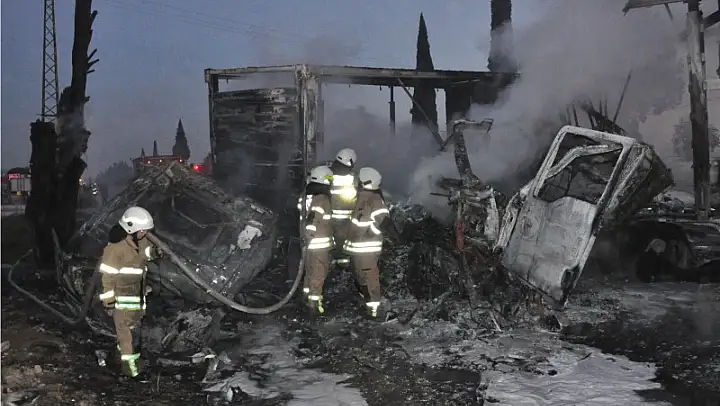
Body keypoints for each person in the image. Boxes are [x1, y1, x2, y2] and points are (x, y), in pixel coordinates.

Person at [98, 206, 160, 378]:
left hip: (137, 298)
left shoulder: (140, 241)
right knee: (127, 339)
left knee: (133, 336)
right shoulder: (115, 249)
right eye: (142, 231)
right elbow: (107, 278)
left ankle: (122, 359)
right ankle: (132, 372)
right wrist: (109, 303)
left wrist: (156, 252)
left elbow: (146, 254)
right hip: (122, 301)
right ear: (131, 229)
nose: (145, 234)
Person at [343, 167, 401, 319]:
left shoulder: (373, 199)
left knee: (369, 279)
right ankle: (369, 305)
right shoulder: (363, 197)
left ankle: (375, 312)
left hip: (366, 249)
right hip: (358, 249)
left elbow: (384, 222)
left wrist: (373, 233)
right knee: (362, 278)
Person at [300, 165, 335, 315]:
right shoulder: (322, 199)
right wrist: (310, 234)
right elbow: (313, 218)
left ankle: (306, 297)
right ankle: (313, 306)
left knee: (309, 271)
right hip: (319, 245)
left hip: (309, 244)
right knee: (318, 274)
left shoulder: (306, 196)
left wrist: (306, 238)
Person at [328, 148, 359, 266]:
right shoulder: (353, 178)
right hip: (345, 221)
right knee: (341, 245)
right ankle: (342, 267)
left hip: (329, 219)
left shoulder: (327, 176)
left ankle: (333, 265)